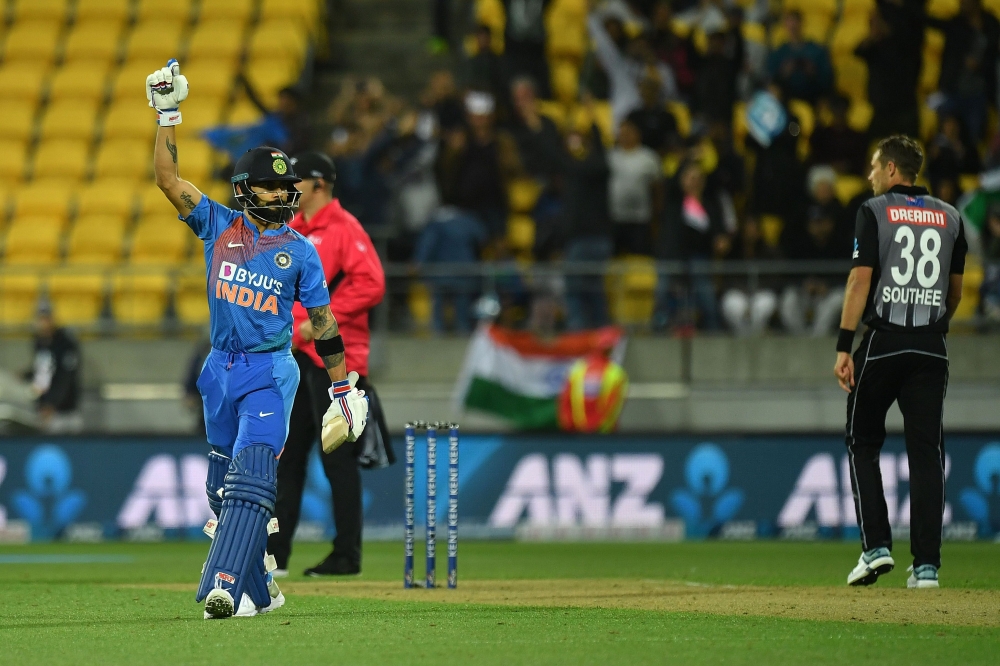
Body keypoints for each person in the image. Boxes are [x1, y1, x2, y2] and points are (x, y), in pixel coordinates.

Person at [146, 60, 369, 618]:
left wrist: (344, 388)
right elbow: (168, 181)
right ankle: (263, 594)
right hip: (218, 370)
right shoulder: (217, 225)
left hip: (272, 372)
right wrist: (167, 115)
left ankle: (222, 585)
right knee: (222, 495)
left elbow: (323, 324)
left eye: (286, 186)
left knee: (252, 476)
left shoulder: (304, 251)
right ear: (245, 190)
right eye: (270, 186)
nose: (281, 194)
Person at [834, 136, 968, 589]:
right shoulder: (951, 216)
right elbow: (956, 291)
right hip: (931, 349)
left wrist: (842, 345)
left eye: (874, 166)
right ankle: (926, 567)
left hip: (885, 342)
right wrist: (932, 324)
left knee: (862, 440)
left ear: (892, 170)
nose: (870, 175)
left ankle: (875, 549)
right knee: (927, 455)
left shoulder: (873, 211)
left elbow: (859, 281)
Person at [267, 152, 392, 577]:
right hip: (300, 358)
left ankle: (347, 556)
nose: (289, 189)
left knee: (337, 459)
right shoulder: (295, 229)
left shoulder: (343, 229)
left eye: (296, 181)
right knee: (289, 457)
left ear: (318, 184)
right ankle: (275, 554)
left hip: (337, 360)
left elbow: (372, 284)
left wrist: (322, 322)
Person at [22, 302, 81, 433]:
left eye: (46, 318)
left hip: (65, 411)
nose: (43, 323)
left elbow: (65, 377)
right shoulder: (39, 342)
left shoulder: (65, 343)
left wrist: (52, 404)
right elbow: (43, 370)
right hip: (44, 409)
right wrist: (26, 375)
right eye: (40, 318)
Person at [608, 112, 663, 255]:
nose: (625, 135)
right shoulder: (610, 157)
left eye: (629, 132)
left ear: (637, 134)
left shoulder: (649, 158)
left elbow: (657, 189)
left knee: (640, 259)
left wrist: (656, 217)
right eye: (622, 132)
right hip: (614, 218)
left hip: (640, 219)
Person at [766, 9, 833, 104]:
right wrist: (784, 73)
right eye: (789, 22)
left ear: (802, 23)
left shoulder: (816, 51)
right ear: (785, 25)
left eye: (795, 22)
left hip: (812, 97)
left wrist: (812, 72)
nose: (793, 26)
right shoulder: (779, 53)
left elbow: (827, 80)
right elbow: (771, 78)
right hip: (786, 99)